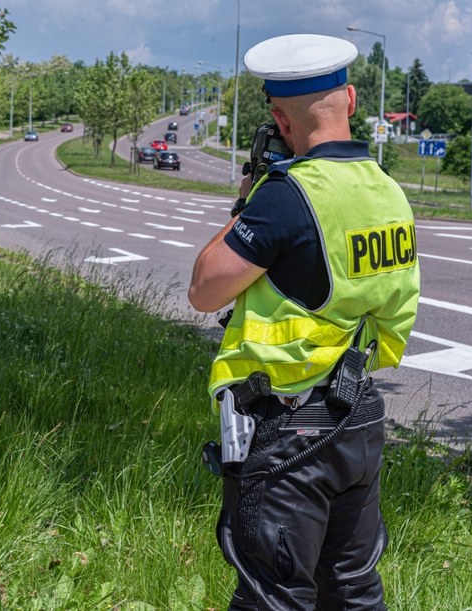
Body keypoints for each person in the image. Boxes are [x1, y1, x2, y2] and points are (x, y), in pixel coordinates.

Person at [188, 34, 420, 610]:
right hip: (358, 417)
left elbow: (203, 288)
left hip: (289, 429)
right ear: (351, 98)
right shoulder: (388, 192)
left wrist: (246, 202)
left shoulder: (288, 196)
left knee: (275, 597)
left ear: (277, 117)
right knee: (353, 591)